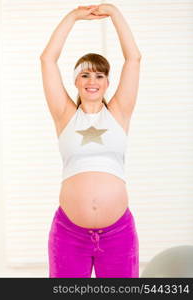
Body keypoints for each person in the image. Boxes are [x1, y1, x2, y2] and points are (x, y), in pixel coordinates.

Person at [40, 3, 142, 278]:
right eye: (85, 74)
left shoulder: (119, 113)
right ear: (76, 81)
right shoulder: (65, 115)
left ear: (108, 82)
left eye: (99, 75)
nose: (92, 80)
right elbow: (47, 59)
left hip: (118, 234)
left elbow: (133, 59)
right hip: (69, 234)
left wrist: (116, 15)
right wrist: (72, 17)